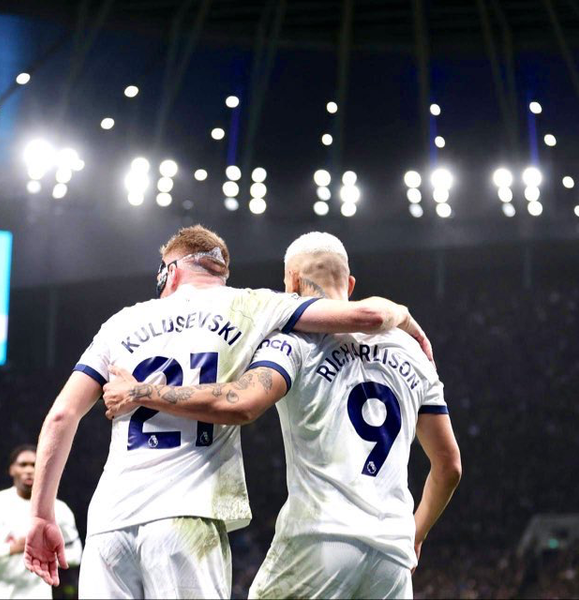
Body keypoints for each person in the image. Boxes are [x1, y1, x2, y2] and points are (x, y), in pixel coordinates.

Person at [25, 225, 434, 599]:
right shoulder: (251, 305)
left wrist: (42, 514)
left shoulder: (120, 323)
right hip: (188, 520)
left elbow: (62, 416)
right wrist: (406, 316)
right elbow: (370, 316)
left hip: (110, 522)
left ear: (169, 271)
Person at [0, 444, 82, 599]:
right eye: (23, 465)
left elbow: (76, 554)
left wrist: (46, 555)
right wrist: (13, 548)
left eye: (34, 465)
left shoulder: (59, 509)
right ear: (12, 469)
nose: (29, 470)